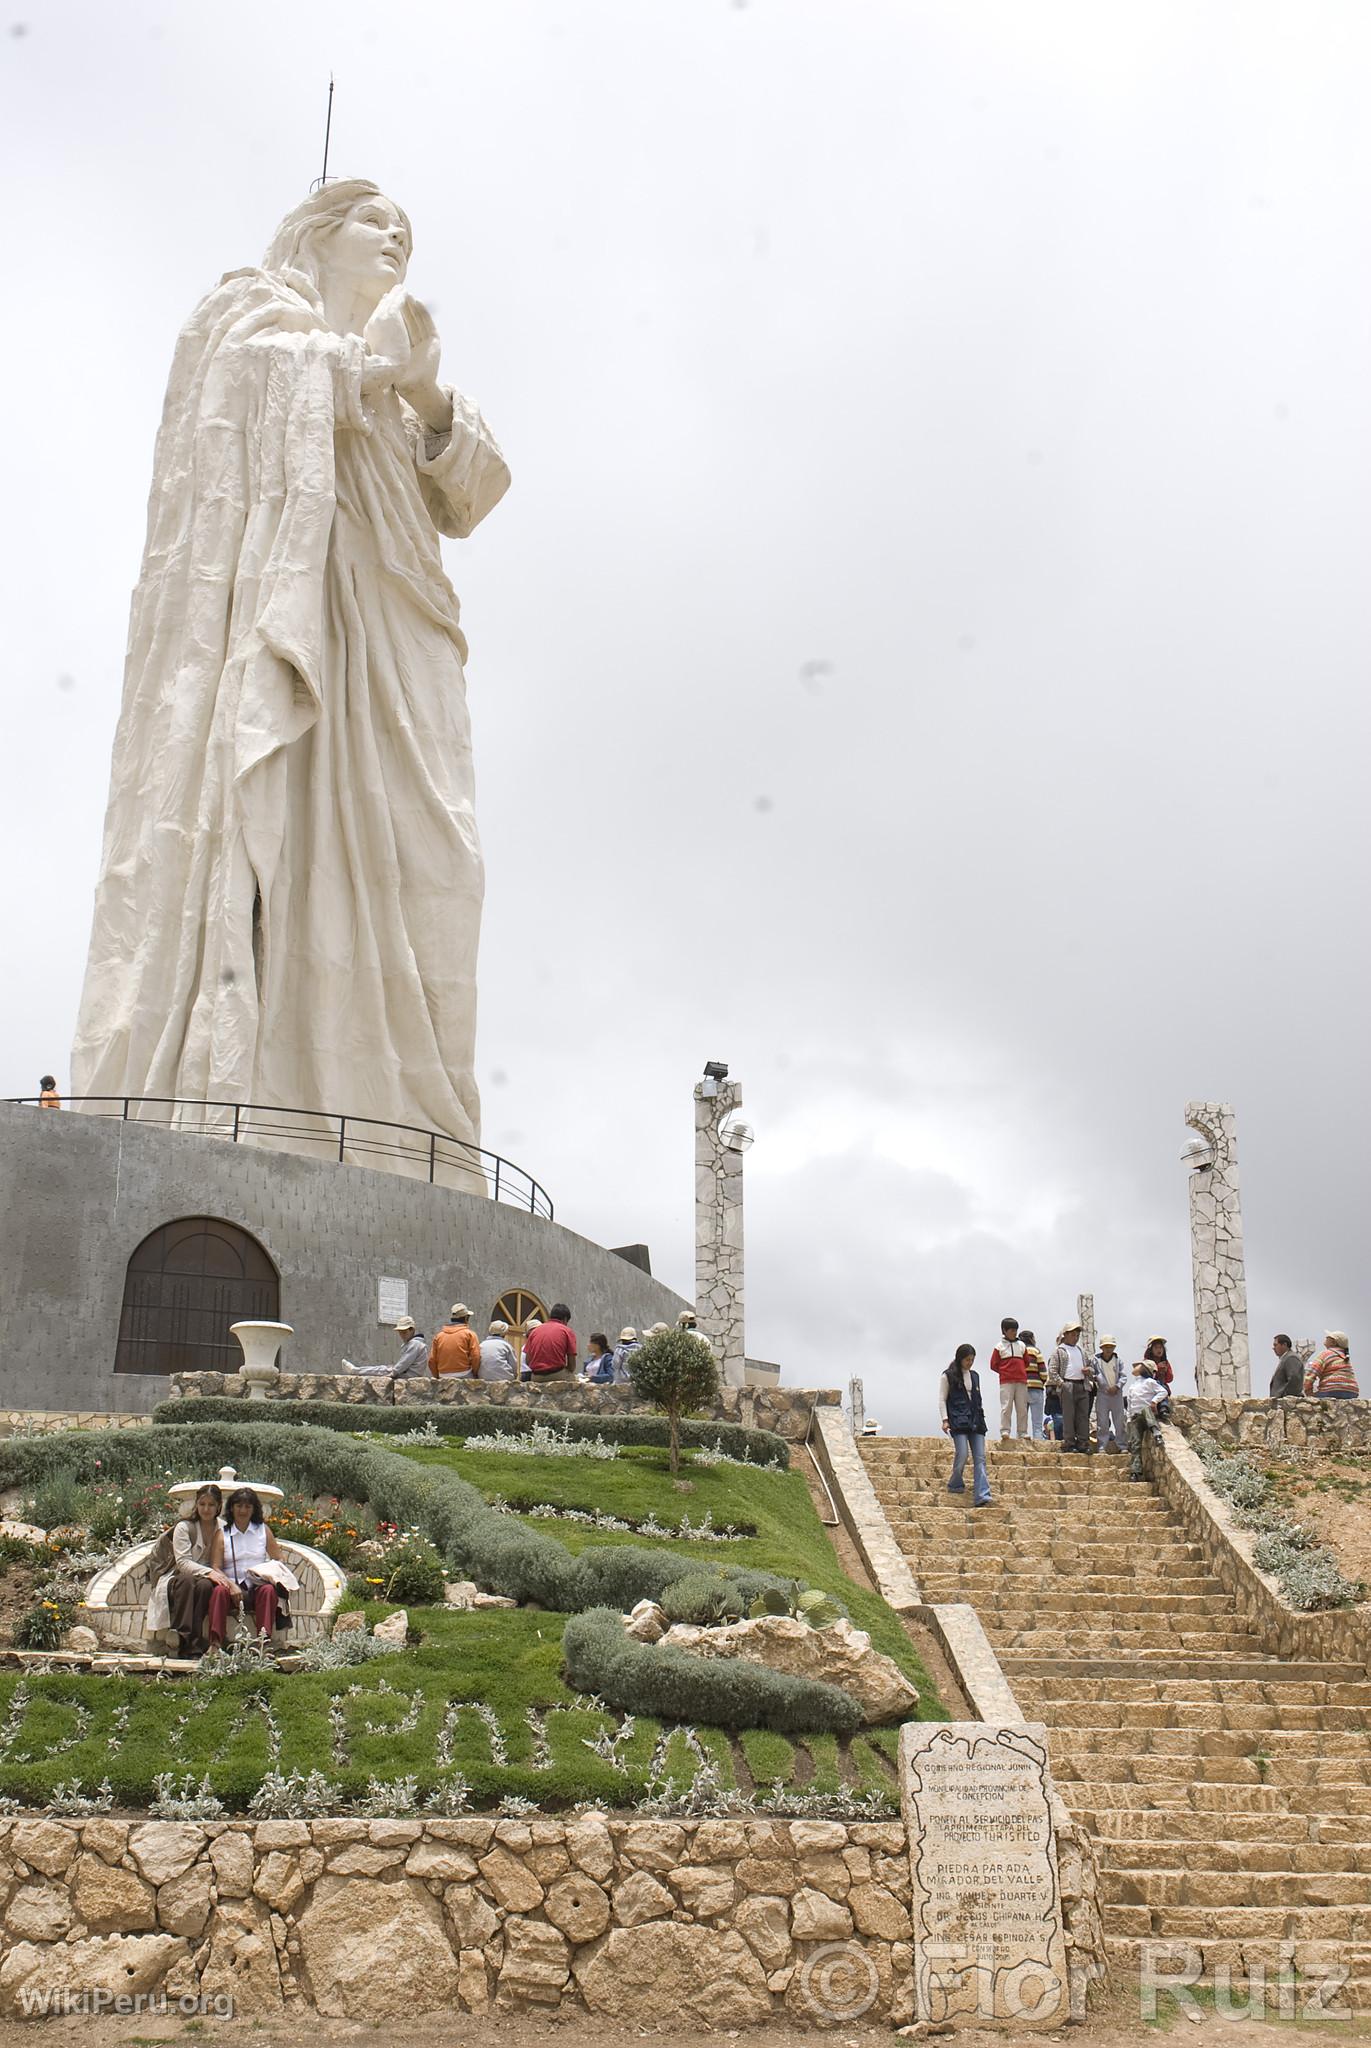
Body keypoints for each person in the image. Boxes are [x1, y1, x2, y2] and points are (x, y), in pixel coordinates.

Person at [70, 182, 510, 1167]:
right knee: (277, 826)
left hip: (396, 631)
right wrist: (360, 370)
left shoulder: (404, 394)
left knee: (439, 863)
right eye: (373, 219)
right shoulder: (251, 312)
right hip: (286, 608)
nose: (394, 236)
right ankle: (268, 1091)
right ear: (317, 234)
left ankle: (407, 1125)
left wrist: (424, 393)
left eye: (406, 230)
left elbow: (471, 495)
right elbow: (232, 384)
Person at [145, 1483, 234, 1657]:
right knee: (188, 1581)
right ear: (196, 1505)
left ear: (218, 1506)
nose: (206, 1509)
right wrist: (209, 1573)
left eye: (211, 1505)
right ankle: (182, 1636)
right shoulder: (185, 1527)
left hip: (207, 1580)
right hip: (179, 1577)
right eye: (202, 1504)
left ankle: (191, 1644)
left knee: (204, 1587)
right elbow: (183, 1563)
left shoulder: (223, 1528)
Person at [207, 1488, 294, 1647]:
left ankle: (263, 1643)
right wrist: (230, 1585)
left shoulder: (263, 1530)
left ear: (254, 1509)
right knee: (218, 1591)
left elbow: (279, 1558)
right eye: (239, 1506)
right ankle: (215, 1643)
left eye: (248, 1506)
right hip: (231, 1587)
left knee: (268, 1591)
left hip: (257, 1586)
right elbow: (215, 1567)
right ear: (231, 1508)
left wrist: (269, 1572)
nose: (243, 1511)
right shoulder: (222, 1534)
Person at [939, 1344, 992, 1506]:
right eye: (968, 1359)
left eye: (972, 1360)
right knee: (962, 1454)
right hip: (958, 1420)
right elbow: (942, 1399)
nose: (970, 1363)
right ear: (960, 1359)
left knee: (980, 1458)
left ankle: (982, 1494)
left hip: (976, 1421)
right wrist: (945, 1420)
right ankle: (955, 1483)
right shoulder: (947, 1376)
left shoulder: (975, 1376)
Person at [1048, 1319, 1096, 1453]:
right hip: (1068, 1384)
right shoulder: (1059, 1351)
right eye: (1073, 1335)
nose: (1076, 1338)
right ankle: (1069, 1442)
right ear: (1066, 1335)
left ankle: (1083, 1442)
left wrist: (1089, 1371)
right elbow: (1052, 1370)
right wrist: (1062, 1384)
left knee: (1083, 1415)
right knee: (1069, 1415)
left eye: (1077, 1335)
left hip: (1082, 1384)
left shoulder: (1081, 1351)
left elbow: (1091, 1367)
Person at [1125, 1359, 1170, 1480]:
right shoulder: (1133, 1386)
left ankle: (1156, 1433)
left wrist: (1154, 1401)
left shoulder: (1150, 1382)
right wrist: (1129, 1418)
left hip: (1147, 1413)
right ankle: (1135, 1471)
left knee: (1146, 1410)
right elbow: (1130, 1404)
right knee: (1135, 1443)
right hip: (1136, 1416)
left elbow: (1163, 1392)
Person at [343, 1316, 428, 1378]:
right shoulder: (415, 1344)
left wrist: (393, 1372)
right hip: (408, 1373)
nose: (402, 1335)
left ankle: (355, 1370)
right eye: (400, 1333)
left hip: (409, 1374)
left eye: (404, 1332)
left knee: (382, 1370)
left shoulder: (415, 1344)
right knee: (382, 1368)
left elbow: (404, 1362)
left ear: (412, 1329)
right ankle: (356, 1370)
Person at [989, 1317, 1030, 1441]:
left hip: (1021, 1380)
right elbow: (993, 1364)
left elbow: (1026, 1362)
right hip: (1006, 1381)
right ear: (1004, 1331)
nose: (1014, 1333)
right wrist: (1004, 1372)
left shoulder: (1021, 1345)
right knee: (1006, 1407)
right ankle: (1005, 1430)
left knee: (1022, 1407)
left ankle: (1022, 1432)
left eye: (1015, 1330)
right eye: (1011, 1330)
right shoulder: (999, 1347)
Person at [524, 1303, 577, 1379]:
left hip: (536, 1376)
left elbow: (528, 1360)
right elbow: (572, 1365)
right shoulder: (567, 1331)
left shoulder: (535, 1331)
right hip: (557, 1374)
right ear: (565, 1319)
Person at [1093, 1336, 1127, 1453]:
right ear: (1101, 1348)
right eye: (1106, 1347)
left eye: (1110, 1347)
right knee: (1102, 1421)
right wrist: (1103, 1385)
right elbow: (1094, 1374)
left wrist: (1117, 1386)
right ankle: (1102, 1445)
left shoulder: (1118, 1361)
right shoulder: (1096, 1361)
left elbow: (1123, 1376)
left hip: (1116, 1393)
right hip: (1103, 1394)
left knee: (1119, 1421)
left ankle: (1122, 1445)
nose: (1108, 1349)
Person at [429, 1304, 481, 1378]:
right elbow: (476, 1356)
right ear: (466, 1318)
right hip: (464, 1373)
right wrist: (475, 1373)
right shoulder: (469, 1334)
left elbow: (431, 1360)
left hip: (443, 1374)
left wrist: (437, 1376)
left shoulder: (439, 1336)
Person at [1304, 1331, 1358, 1399]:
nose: (1326, 1338)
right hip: (1352, 1392)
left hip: (1332, 1390)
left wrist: (1308, 1391)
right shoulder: (1344, 1357)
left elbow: (1312, 1372)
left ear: (1333, 1342)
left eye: (1328, 1337)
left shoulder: (1326, 1354)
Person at [1021, 1329, 1049, 1442]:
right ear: (1032, 1339)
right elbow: (1043, 1370)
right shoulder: (1036, 1351)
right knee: (1037, 1422)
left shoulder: (1019, 1351)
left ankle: (1021, 1440)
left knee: (1022, 1420)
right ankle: (1038, 1441)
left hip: (1022, 1388)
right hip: (1036, 1388)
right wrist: (1043, 1381)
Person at [477, 1319, 518, 1383]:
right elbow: (514, 1365)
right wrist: (515, 1376)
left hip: (483, 1377)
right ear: (504, 1333)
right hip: (504, 1378)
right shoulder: (506, 1346)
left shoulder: (481, 1345)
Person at [1269, 1334, 1305, 1400]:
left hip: (1287, 1401)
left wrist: (1284, 1396)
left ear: (1284, 1345)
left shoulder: (1291, 1358)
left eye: (1275, 1345)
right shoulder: (1285, 1358)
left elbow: (1294, 1379)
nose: (1273, 1348)